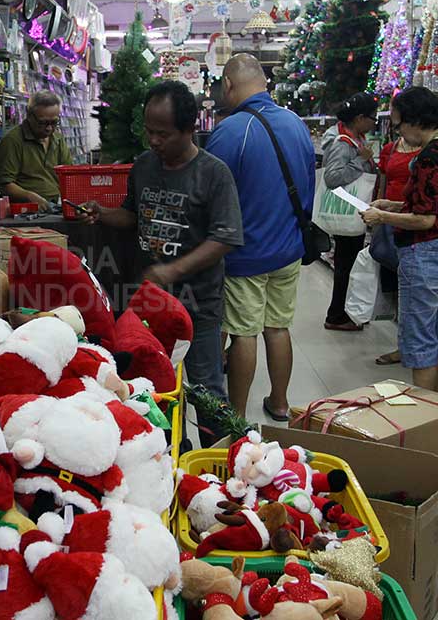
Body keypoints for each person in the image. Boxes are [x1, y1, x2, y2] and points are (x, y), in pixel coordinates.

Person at [80, 80, 243, 405]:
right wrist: (103, 213)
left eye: (163, 134)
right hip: (150, 305)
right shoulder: (144, 165)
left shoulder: (213, 173)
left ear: (189, 129)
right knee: (150, 386)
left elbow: (226, 237)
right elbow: (133, 215)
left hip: (197, 304)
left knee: (207, 392)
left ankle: (214, 440)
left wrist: (172, 270)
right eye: (149, 131)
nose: (154, 140)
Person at [205, 54, 316, 421]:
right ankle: (280, 402)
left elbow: (210, 195)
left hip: (246, 254)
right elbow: (308, 185)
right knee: (278, 327)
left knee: (243, 333)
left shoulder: (231, 131)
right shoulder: (296, 124)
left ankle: (237, 416)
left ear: (228, 84)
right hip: (288, 249)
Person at [361, 86, 438, 394]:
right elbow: (434, 205)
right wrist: (392, 205)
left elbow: (424, 219)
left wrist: (382, 217)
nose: (400, 133)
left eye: (400, 125)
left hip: (423, 252)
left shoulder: (427, 158)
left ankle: (426, 409)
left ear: (416, 120)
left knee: (419, 336)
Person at [321, 92, 379, 331]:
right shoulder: (343, 144)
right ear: (359, 118)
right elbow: (332, 177)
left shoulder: (356, 140)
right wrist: (360, 161)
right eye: (372, 118)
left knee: (348, 264)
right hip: (347, 211)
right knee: (346, 265)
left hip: (353, 210)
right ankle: (337, 315)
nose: (374, 123)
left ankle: (343, 312)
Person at [374, 134, 420, 366]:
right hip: (391, 222)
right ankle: (404, 343)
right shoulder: (391, 148)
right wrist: (379, 211)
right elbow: (383, 183)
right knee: (397, 284)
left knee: (419, 290)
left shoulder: (432, 150)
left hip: (417, 226)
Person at [0, 90, 72, 212]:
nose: (49, 128)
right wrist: (28, 196)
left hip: (57, 206)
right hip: (27, 210)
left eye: (54, 122)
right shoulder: (13, 141)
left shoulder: (58, 139)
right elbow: (5, 184)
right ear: (29, 115)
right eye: (42, 123)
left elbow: (69, 174)